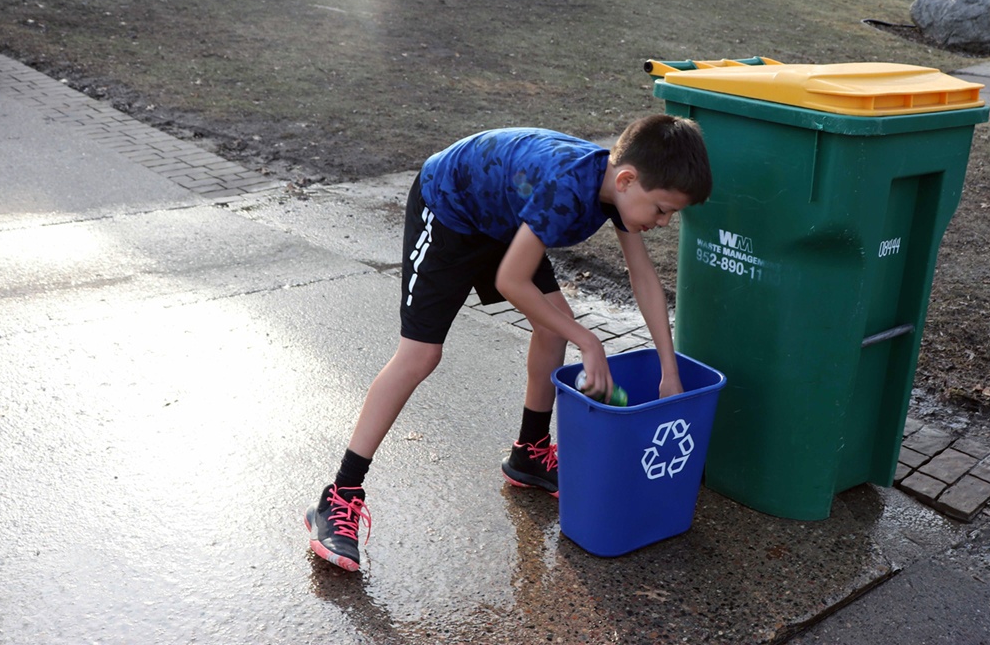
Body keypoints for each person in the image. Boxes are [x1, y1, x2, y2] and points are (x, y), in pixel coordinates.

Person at [304, 114, 713, 571]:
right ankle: (339, 495)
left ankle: (529, 453)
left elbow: (644, 278)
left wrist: (668, 372)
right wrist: (590, 343)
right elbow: (512, 280)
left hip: (507, 215)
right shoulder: (567, 190)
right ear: (626, 179)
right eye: (662, 209)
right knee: (420, 355)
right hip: (450, 209)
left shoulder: (616, 192)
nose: (663, 222)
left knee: (555, 323)